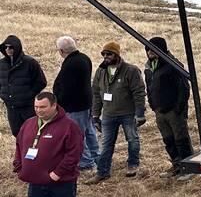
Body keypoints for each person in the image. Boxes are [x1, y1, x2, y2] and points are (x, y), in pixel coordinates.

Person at [12, 91, 83, 197]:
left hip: (61, 180)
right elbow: (19, 145)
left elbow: (74, 153)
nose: (39, 110)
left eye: (43, 107)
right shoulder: (29, 124)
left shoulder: (69, 126)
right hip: (35, 180)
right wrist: (19, 166)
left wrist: (57, 173)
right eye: (36, 107)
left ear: (54, 106)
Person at [89, 41, 146, 183]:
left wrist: (140, 113)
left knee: (132, 139)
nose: (106, 56)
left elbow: (139, 92)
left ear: (117, 54)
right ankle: (102, 172)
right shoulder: (101, 71)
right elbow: (96, 93)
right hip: (108, 114)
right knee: (106, 143)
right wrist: (95, 115)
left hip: (128, 113)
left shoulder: (131, 70)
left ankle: (133, 165)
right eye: (104, 54)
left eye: (109, 53)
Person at [145, 37, 193, 178]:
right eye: (148, 50)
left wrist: (178, 109)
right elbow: (149, 88)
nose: (149, 52)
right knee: (168, 141)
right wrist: (153, 106)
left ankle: (188, 168)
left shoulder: (173, 65)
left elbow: (184, 89)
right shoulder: (148, 68)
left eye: (153, 49)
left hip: (174, 111)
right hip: (159, 112)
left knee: (181, 140)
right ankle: (177, 166)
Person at [52, 36, 98, 173]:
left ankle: (86, 162)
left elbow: (67, 88)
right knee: (89, 132)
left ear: (61, 51)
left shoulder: (71, 64)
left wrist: (58, 102)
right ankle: (96, 156)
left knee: (77, 135)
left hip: (75, 106)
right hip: (86, 103)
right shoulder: (84, 58)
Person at [1, 35, 47, 137]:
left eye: (10, 47)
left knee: (32, 133)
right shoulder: (1, 64)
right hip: (11, 107)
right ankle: (21, 153)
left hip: (28, 107)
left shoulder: (30, 62)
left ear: (17, 47)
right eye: (5, 47)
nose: (8, 50)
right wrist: (3, 95)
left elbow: (41, 82)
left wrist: (28, 95)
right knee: (17, 133)